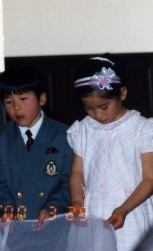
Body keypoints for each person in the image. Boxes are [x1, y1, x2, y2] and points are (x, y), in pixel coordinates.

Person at [68, 55, 153, 251]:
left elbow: (149, 178)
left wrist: (124, 209)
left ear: (122, 93)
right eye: (89, 108)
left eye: (104, 107)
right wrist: (77, 200)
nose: (97, 114)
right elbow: (77, 173)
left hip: (130, 211)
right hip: (93, 212)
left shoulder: (142, 128)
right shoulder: (83, 129)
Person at [0, 65, 73, 225]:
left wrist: (51, 209)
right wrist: (7, 209)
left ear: (42, 98)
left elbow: (68, 183)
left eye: (23, 99)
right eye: (8, 102)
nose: (16, 107)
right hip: (17, 225)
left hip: (53, 223)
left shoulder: (64, 135)